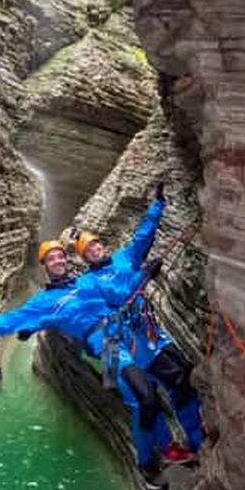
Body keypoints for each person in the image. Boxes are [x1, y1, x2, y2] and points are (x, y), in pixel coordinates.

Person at [0, 237, 177, 490]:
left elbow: (119, 294)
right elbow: (4, 323)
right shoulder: (43, 302)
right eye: (51, 258)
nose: (58, 260)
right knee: (146, 397)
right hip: (107, 345)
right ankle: (147, 466)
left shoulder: (84, 282)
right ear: (44, 265)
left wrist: (143, 276)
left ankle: (165, 448)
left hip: (125, 334)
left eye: (60, 255)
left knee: (143, 398)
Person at [71, 182, 204, 456]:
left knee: (185, 378)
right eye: (89, 250)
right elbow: (118, 296)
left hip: (153, 334)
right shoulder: (88, 283)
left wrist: (158, 205)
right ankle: (184, 444)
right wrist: (142, 276)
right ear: (84, 258)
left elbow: (142, 238)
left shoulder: (123, 258)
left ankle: (195, 436)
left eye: (96, 244)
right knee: (165, 388)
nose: (95, 249)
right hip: (132, 344)